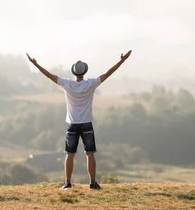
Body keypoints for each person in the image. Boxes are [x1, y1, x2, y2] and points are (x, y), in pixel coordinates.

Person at [26, 50, 132, 190]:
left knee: (69, 155)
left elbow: (49, 76)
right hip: (86, 123)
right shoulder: (91, 84)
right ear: (84, 72)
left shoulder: (67, 84)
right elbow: (108, 73)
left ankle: (67, 183)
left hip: (72, 124)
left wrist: (36, 64)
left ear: (74, 72)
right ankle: (92, 182)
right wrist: (122, 60)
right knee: (90, 154)